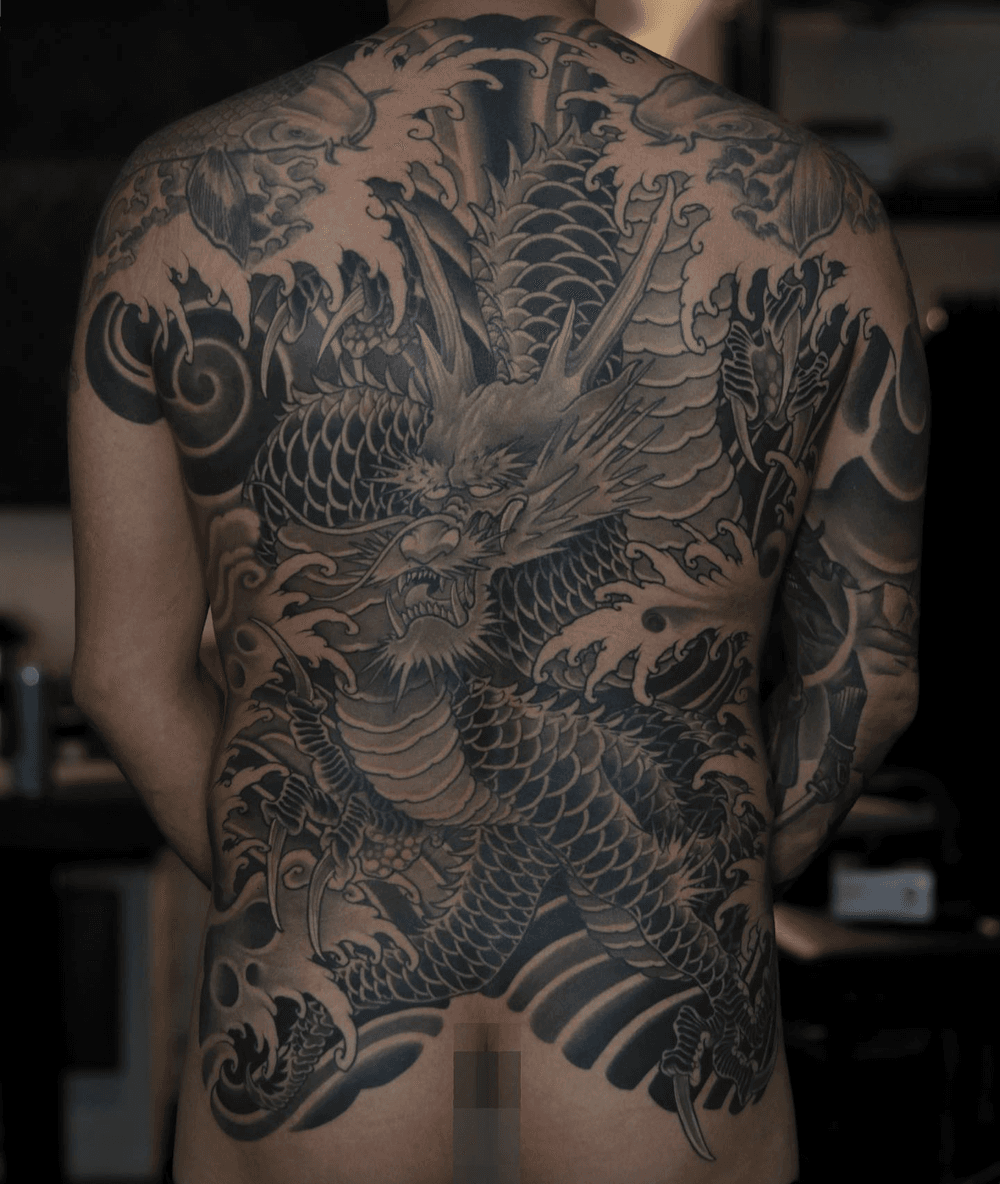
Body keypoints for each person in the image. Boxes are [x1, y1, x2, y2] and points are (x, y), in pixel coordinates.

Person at [68, 0, 928, 1180]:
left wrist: (307, 879)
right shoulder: (822, 211)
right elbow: (866, 678)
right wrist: (683, 894)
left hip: (327, 1067)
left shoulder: (176, 201)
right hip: (651, 1067)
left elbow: (123, 677)